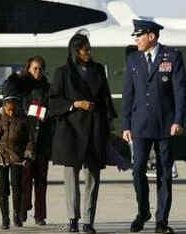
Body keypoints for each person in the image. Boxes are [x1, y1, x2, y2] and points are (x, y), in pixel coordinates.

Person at [122, 19, 186, 234]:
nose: (136, 39)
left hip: (164, 125)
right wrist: (126, 124)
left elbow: (179, 91)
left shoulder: (172, 56)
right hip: (139, 124)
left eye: (139, 35)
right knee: (137, 170)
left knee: (164, 173)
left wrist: (178, 120)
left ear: (151, 36)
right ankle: (143, 212)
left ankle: (162, 220)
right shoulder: (133, 59)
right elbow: (128, 94)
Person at [49, 32, 117, 233]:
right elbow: (53, 101)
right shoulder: (62, 73)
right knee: (70, 177)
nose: (89, 52)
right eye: (85, 49)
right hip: (71, 131)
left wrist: (110, 126)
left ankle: (88, 221)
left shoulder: (98, 70)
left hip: (95, 129)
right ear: (76, 51)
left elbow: (106, 99)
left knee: (93, 178)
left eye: (90, 48)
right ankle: (73, 219)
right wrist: (75, 104)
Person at [5, 56, 51, 225]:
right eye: (34, 69)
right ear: (28, 69)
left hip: (43, 138)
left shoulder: (47, 87)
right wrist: (15, 76)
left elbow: (51, 107)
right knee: (24, 179)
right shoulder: (21, 85)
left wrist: (46, 114)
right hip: (25, 138)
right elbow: (7, 90)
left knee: (41, 180)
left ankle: (40, 215)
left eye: (40, 69)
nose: (38, 72)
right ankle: (24, 208)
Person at [0, 96, 34, 230]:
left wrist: (28, 153)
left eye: (13, 109)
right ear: (4, 107)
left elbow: (30, 138)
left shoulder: (22, 117)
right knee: (3, 188)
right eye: (9, 109)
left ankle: (16, 216)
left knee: (17, 187)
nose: (11, 112)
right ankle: (5, 218)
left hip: (17, 156)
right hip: (0, 156)